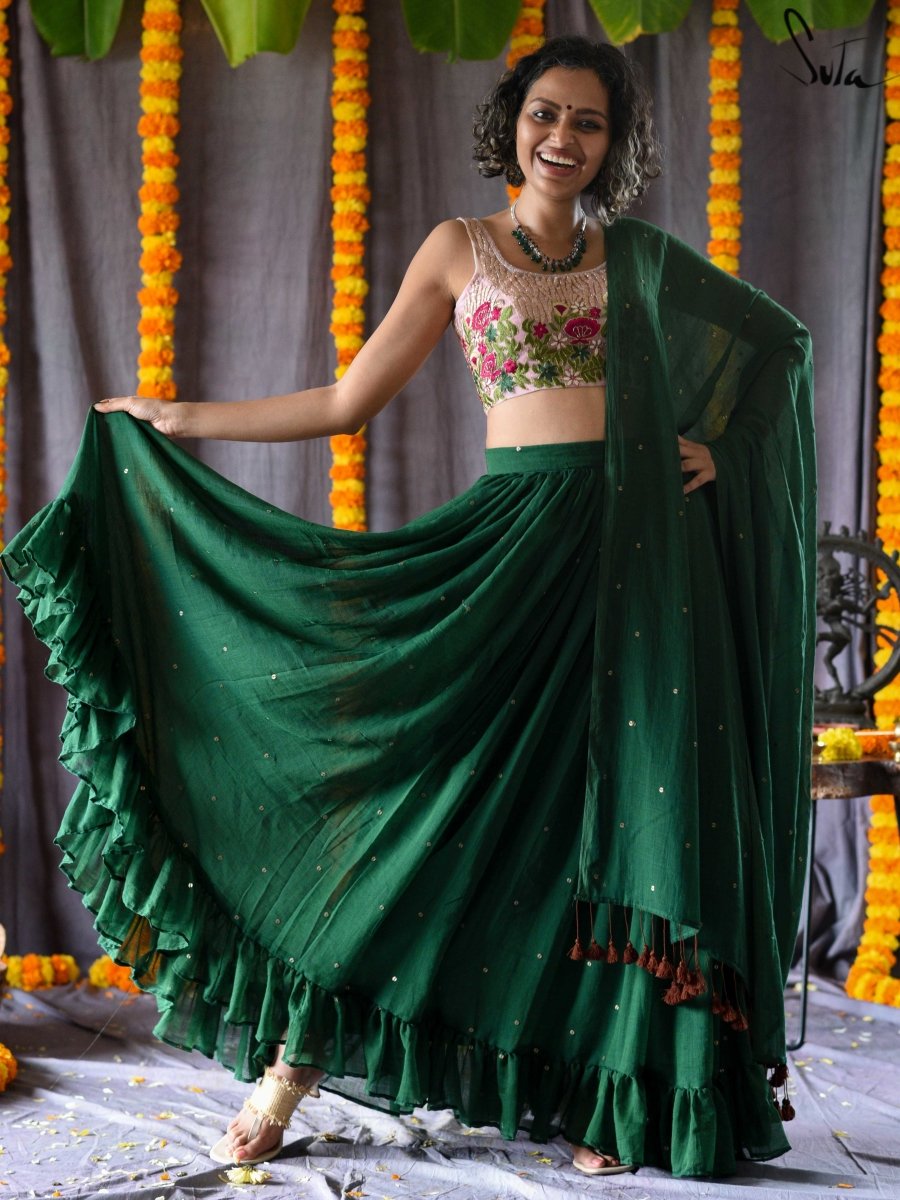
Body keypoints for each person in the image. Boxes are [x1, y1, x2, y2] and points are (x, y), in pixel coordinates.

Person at [3, 35, 815, 1180]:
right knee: (438, 814)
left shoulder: (637, 256)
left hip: (637, 567)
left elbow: (781, 345)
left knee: (626, 827)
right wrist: (181, 419)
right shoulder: (459, 248)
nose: (564, 137)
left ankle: (614, 1099)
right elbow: (348, 401)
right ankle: (293, 1065)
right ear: (513, 123)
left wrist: (726, 450)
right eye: (546, 113)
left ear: (613, 144)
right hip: (510, 554)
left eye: (588, 121)